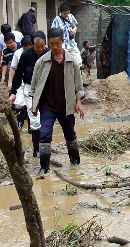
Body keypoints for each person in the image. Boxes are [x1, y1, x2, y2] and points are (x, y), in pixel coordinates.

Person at [31, 27, 85, 176]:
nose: (54, 47)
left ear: (63, 42)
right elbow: (34, 86)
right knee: (45, 135)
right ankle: (44, 166)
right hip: (47, 106)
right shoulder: (42, 62)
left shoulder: (71, 61)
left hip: (66, 106)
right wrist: (33, 104)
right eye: (52, 44)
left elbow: (78, 86)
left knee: (70, 134)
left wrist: (78, 103)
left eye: (57, 44)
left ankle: (75, 162)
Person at [9, 31, 49, 157]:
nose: (40, 49)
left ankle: (45, 150)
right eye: (37, 46)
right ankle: (37, 150)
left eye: (42, 46)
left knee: (46, 120)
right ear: (32, 45)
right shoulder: (26, 55)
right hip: (29, 90)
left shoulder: (49, 54)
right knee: (35, 120)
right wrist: (13, 92)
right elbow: (18, 74)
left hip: (46, 90)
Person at [8, 35, 33, 130]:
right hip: (21, 82)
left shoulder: (36, 53)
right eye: (24, 48)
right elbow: (13, 68)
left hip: (32, 83)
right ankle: (21, 117)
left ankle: (32, 127)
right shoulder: (18, 53)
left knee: (32, 105)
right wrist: (10, 82)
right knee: (18, 104)